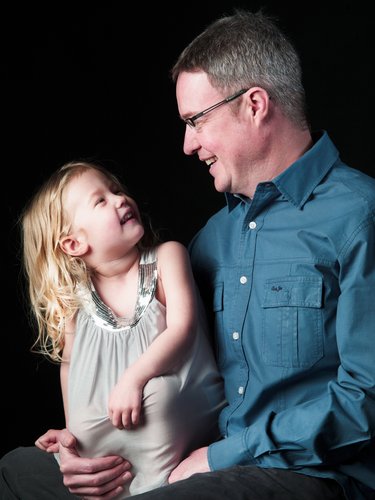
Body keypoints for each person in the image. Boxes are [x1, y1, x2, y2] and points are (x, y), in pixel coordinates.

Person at [1, 8, 375, 500]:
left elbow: (365, 402)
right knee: (20, 469)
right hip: (199, 465)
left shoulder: (359, 216)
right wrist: (84, 449)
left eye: (195, 120)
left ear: (255, 104)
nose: (186, 144)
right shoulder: (211, 242)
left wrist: (222, 455)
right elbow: (166, 377)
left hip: (315, 473)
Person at [0, 160, 224, 498]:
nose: (119, 199)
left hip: (178, 412)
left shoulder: (166, 257)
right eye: (100, 200)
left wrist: (133, 380)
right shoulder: (76, 300)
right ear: (74, 244)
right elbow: (70, 365)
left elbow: (183, 328)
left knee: (158, 398)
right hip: (116, 439)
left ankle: (156, 482)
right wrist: (71, 432)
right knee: (54, 445)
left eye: (116, 190)